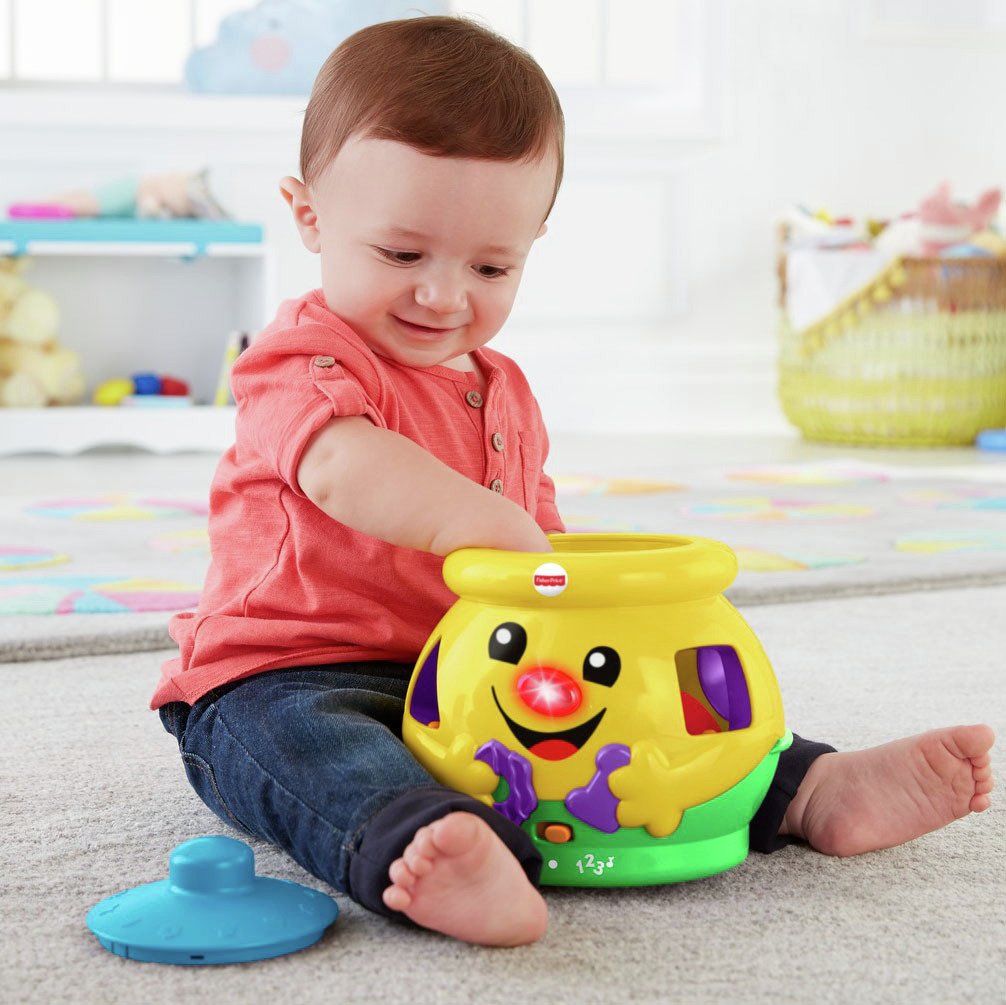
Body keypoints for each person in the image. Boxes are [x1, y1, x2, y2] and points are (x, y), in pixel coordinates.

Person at [152, 15, 995, 947]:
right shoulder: (301, 359)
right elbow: (347, 467)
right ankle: (429, 843)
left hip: (467, 669)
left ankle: (798, 788)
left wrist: (588, 611)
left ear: (533, 240)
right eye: (401, 254)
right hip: (288, 668)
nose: (443, 293)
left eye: (490, 264)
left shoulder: (500, 386)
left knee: (635, 724)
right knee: (321, 751)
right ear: (309, 214)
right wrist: (494, 530)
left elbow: (545, 545)